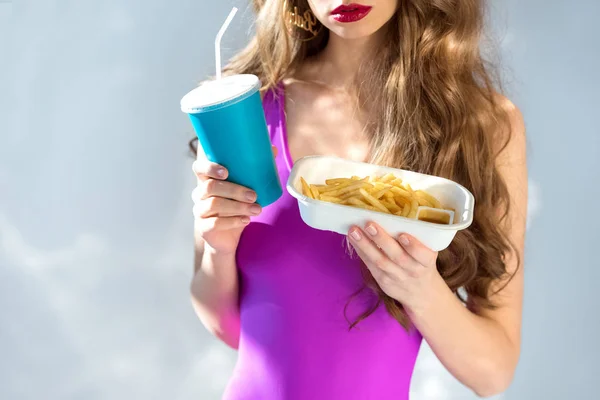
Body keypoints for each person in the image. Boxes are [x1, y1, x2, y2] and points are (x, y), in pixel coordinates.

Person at [189, 1, 527, 399]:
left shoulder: (483, 127)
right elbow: (231, 330)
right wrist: (217, 249)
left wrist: (422, 291)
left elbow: (493, 374)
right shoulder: (243, 114)